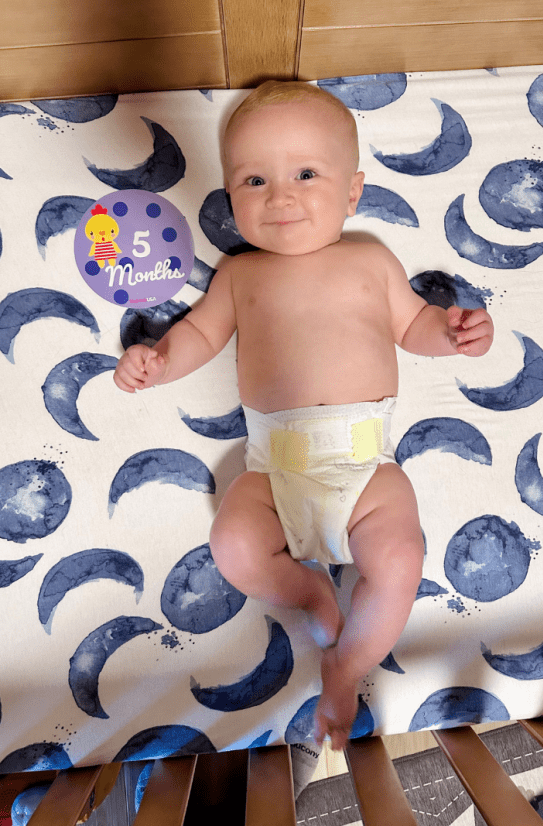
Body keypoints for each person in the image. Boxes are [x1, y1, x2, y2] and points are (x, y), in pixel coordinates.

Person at [113, 80, 494, 750]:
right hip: (272, 469)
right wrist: (156, 360)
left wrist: (454, 333)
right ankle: (310, 593)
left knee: (400, 556)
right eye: (254, 179)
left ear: (351, 191)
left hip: (364, 465)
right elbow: (200, 336)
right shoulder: (240, 275)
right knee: (232, 546)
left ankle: (346, 668)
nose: (280, 197)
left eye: (306, 174)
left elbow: (412, 328)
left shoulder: (369, 259)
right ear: (230, 195)